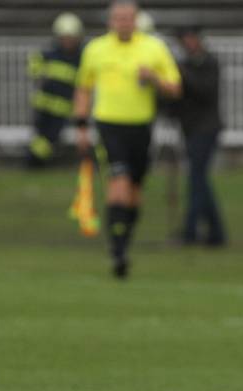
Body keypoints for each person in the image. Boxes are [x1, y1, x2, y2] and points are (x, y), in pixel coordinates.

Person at [73, 0, 181, 278]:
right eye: (118, 18)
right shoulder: (96, 49)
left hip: (141, 127)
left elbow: (175, 88)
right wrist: (82, 126)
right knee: (118, 183)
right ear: (111, 21)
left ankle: (124, 239)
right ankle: (118, 252)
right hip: (109, 125)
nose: (123, 22)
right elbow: (84, 88)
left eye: (128, 18)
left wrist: (154, 78)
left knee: (134, 191)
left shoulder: (153, 48)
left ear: (136, 20)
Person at [173, 26, 227, 247]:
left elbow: (204, 90)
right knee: (199, 180)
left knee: (197, 179)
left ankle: (191, 231)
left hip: (206, 129)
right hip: (191, 128)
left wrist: (182, 74)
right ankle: (215, 233)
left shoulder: (209, 63)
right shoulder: (185, 65)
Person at [26, 13, 84, 168]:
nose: (68, 41)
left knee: (49, 138)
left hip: (62, 109)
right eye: (65, 37)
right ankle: (34, 163)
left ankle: (34, 163)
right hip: (43, 105)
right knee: (40, 137)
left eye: (71, 37)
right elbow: (34, 69)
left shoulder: (81, 57)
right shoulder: (48, 54)